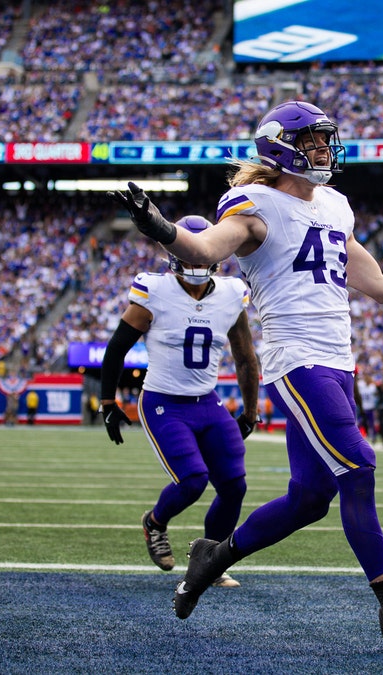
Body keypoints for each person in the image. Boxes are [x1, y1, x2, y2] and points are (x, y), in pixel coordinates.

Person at [109, 100, 383, 649]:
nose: (322, 149)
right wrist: (160, 227)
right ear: (280, 148)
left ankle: (215, 555)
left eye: (323, 139)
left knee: (310, 498)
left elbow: (378, 285)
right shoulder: (255, 203)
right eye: (310, 141)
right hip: (296, 359)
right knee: (358, 467)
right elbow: (204, 246)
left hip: (338, 362)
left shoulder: (335, 206)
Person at [97, 215, 261, 587]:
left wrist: (250, 412)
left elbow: (246, 357)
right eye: (188, 255)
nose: (197, 263)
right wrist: (108, 402)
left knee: (234, 486)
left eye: (202, 254)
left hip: (207, 401)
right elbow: (117, 348)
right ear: (172, 253)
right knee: (192, 480)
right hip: (163, 402)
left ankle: (209, 560)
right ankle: (154, 522)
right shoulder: (154, 291)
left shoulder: (232, 293)